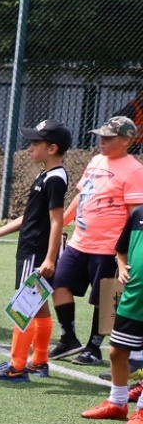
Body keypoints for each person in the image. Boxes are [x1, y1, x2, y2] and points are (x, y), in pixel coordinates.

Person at [0, 119, 71, 382]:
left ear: (52, 148)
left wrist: (50, 258)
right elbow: (30, 216)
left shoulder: (55, 178)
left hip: (36, 253)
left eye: (35, 143)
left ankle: (17, 365)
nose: (30, 148)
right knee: (37, 306)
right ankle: (39, 361)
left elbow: (57, 220)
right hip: (30, 249)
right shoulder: (45, 176)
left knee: (25, 306)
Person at [49, 116, 143, 364]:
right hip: (80, 242)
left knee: (103, 299)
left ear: (125, 141)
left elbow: (136, 216)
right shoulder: (95, 160)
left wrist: (124, 252)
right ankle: (68, 337)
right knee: (59, 284)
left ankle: (93, 346)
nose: (101, 141)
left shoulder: (134, 170)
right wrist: (62, 221)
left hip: (108, 246)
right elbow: (83, 195)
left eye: (108, 137)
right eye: (100, 136)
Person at [81, 200, 143, 424]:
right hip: (133, 297)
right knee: (117, 351)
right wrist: (122, 266)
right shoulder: (138, 214)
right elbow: (121, 249)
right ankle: (117, 403)